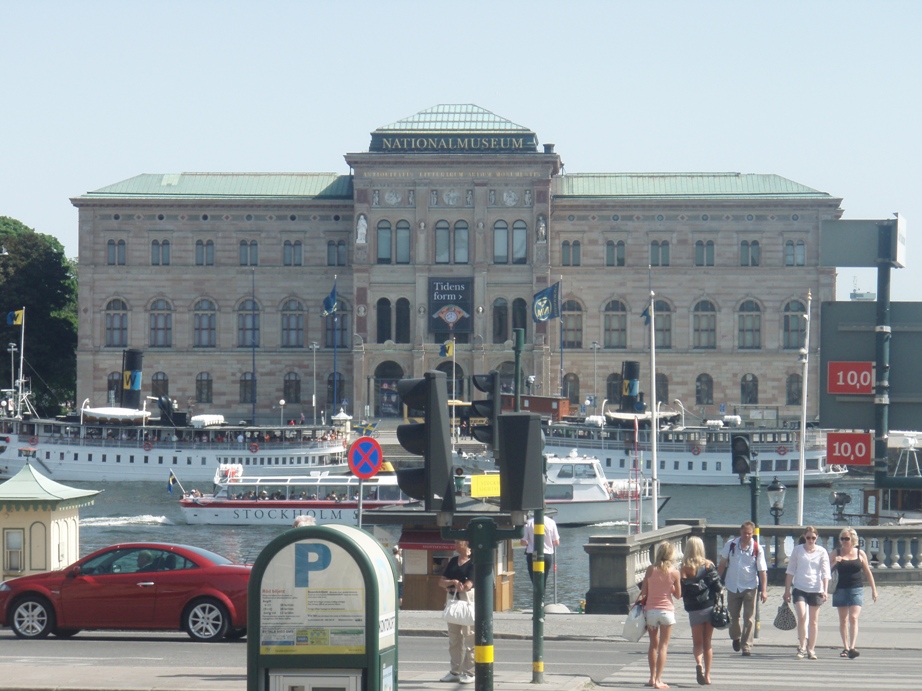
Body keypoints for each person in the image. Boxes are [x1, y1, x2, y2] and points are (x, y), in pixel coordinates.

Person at [717, 521, 768, 656]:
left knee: (749, 617)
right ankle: (736, 637)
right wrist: (716, 582)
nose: (747, 536)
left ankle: (747, 646)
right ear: (741, 532)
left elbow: (762, 571)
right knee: (733, 616)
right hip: (733, 586)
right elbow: (722, 564)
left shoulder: (757, 549)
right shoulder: (731, 545)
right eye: (745, 533)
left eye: (750, 534)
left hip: (750, 586)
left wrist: (764, 590)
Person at [784, 526, 831, 659]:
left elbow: (825, 572)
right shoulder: (798, 550)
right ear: (804, 537)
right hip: (799, 588)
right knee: (802, 616)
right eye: (808, 537)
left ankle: (811, 649)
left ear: (817, 538)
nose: (811, 540)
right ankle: (802, 647)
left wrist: (825, 590)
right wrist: (787, 590)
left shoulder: (822, 552)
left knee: (814, 621)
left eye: (813, 538)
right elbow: (790, 571)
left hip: (816, 589)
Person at [831, 527, 878, 658]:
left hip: (856, 588)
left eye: (847, 539)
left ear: (853, 540)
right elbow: (825, 570)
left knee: (854, 617)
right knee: (843, 619)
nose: (844, 541)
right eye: (842, 538)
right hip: (840, 589)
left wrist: (874, 590)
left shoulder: (860, 553)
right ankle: (845, 647)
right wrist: (835, 561)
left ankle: (852, 647)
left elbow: (868, 572)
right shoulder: (836, 552)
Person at [640, 540, 681, 690]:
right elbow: (678, 595)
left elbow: (644, 591)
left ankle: (651, 677)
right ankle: (659, 680)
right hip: (667, 611)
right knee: (663, 646)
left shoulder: (650, 569)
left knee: (653, 645)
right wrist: (669, 588)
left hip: (651, 611)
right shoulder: (674, 572)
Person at [681, 537, 722, 685]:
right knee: (707, 643)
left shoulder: (684, 568)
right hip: (708, 606)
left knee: (697, 643)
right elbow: (718, 587)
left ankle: (699, 665)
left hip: (693, 609)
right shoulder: (707, 565)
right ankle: (708, 675)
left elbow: (682, 590)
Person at [439, 540, 475, 684]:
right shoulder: (453, 561)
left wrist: (463, 586)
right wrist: (452, 582)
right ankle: (455, 671)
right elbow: (441, 582)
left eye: (456, 542)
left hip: (467, 600)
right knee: (454, 638)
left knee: (470, 637)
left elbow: (470, 583)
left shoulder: (474, 561)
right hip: (453, 599)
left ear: (466, 543)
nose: (454, 545)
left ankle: (470, 672)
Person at [521, 513, 560, 589]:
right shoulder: (551, 522)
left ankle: (537, 598)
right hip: (547, 555)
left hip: (533, 555)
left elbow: (523, 542)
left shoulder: (528, 522)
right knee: (543, 581)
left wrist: (528, 543)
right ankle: (542, 599)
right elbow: (556, 542)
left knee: (535, 581)